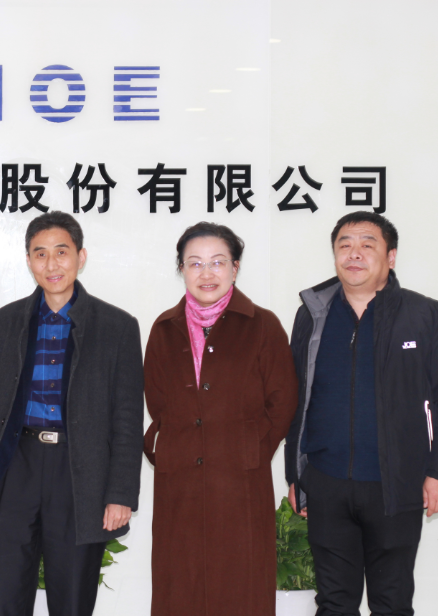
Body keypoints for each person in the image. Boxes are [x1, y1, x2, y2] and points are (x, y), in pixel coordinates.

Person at [285, 212, 438, 615]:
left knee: (392, 603)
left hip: (397, 484)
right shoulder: (313, 314)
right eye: (345, 244)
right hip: (326, 482)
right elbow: (296, 398)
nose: (354, 253)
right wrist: (296, 476)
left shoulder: (426, 314)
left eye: (367, 244)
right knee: (333, 602)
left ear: (391, 256)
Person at [0, 211, 144, 616]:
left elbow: (128, 419)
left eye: (61, 252)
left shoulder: (117, 326)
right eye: (40, 253)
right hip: (18, 467)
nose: (51, 264)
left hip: (79, 473)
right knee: (6, 598)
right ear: (28, 261)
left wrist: (120, 493)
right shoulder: (4, 323)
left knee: (73, 599)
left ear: (81, 257)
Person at [142, 222, 297, 615]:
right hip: (179, 482)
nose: (206, 273)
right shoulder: (164, 328)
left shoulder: (262, 325)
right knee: (180, 582)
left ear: (235, 268)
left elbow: (283, 401)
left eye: (217, 262)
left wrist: (250, 448)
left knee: (241, 582)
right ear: (181, 269)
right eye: (195, 263)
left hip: (240, 481)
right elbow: (158, 401)